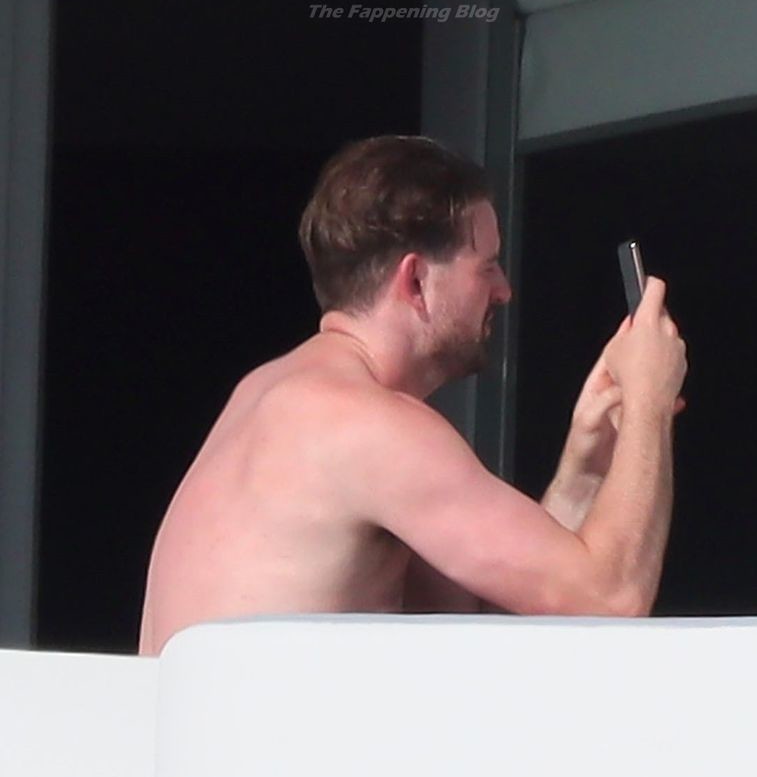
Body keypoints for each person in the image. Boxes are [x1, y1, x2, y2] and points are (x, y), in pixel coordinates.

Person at [138, 135, 686, 654]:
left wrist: (585, 469)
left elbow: (490, 613)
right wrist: (650, 402)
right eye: (487, 266)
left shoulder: (268, 393)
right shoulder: (369, 427)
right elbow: (609, 599)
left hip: (209, 722)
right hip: (261, 727)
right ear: (416, 281)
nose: (504, 290)